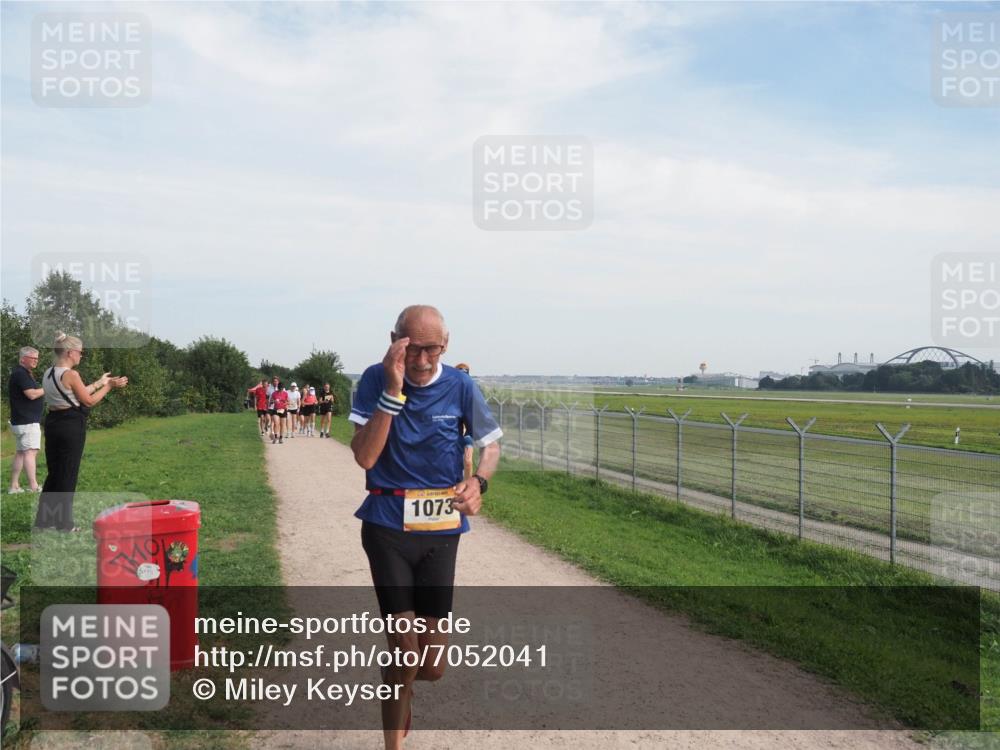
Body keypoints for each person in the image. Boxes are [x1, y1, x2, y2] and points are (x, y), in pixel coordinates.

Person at [349, 305, 501, 748]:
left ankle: (404, 683)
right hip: (386, 527)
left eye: (430, 349)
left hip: (441, 533)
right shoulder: (375, 379)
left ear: (446, 345)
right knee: (404, 651)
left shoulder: (460, 384)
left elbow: (490, 446)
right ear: (393, 338)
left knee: (431, 665)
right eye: (411, 348)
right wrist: (392, 391)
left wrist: (479, 481)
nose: (420, 360)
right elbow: (365, 456)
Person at [34, 332, 127, 532]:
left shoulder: (49, 372)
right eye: (80, 352)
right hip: (70, 425)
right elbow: (88, 401)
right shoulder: (71, 374)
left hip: (52, 423)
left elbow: (74, 392)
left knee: (55, 472)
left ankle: (44, 521)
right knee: (68, 473)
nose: (81, 356)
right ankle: (64, 524)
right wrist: (109, 386)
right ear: (69, 352)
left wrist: (99, 382)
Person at [7, 347, 45, 494]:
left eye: (37, 358)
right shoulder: (20, 374)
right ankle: (34, 486)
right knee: (30, 452)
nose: (36, 360)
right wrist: (48, 388)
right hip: (27, 421)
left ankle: (14, 486)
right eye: (32, 358)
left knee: (21, 453)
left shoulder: (20, 373)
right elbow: (32, 394)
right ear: (23, 358)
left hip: (21, 421)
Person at [454, 363, 475, 479]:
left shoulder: (470, 391)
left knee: (468, 461)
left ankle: (467, 486)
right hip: (453, 435)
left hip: (466, 433)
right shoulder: (448, 393)